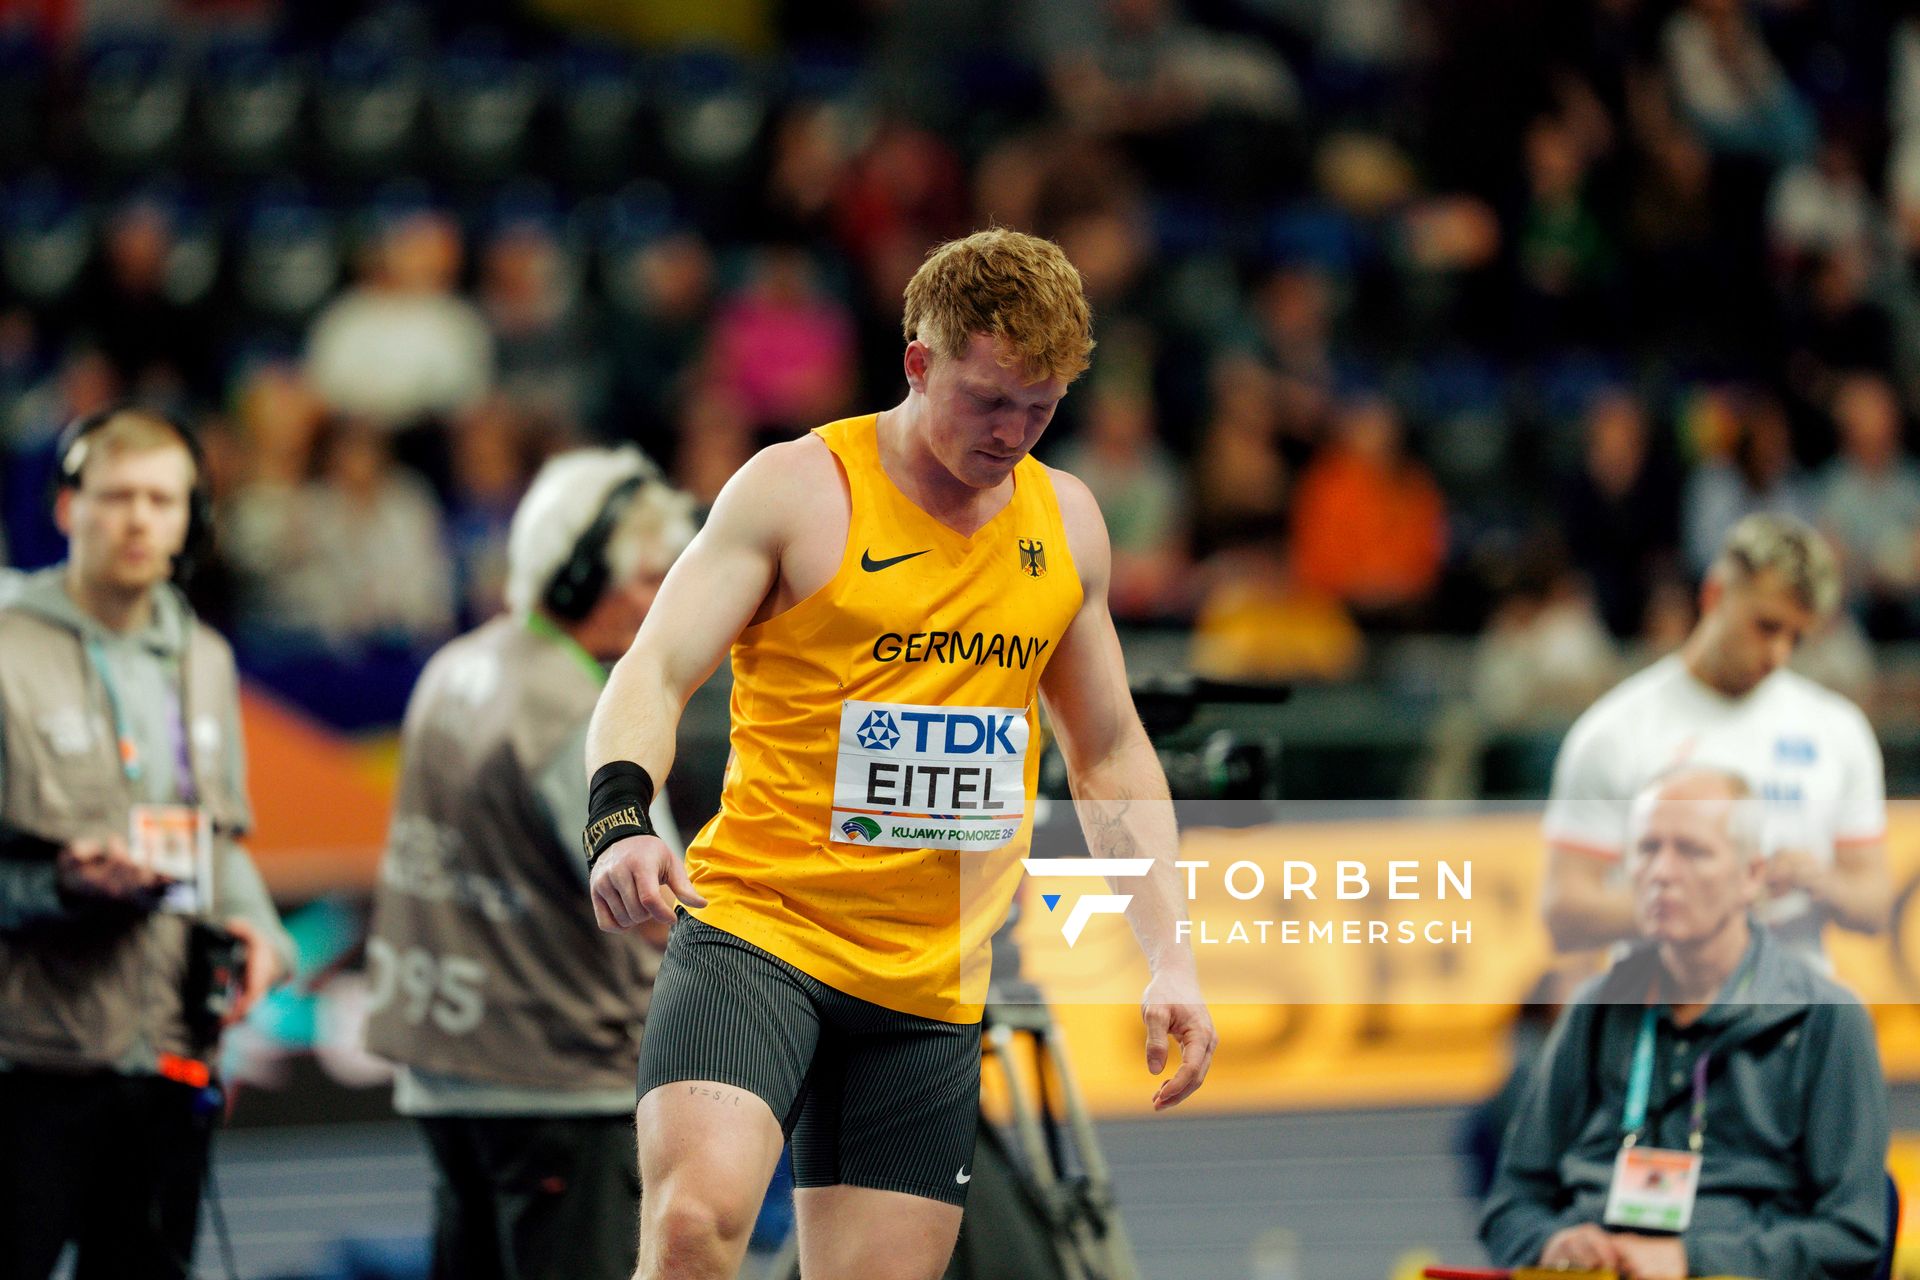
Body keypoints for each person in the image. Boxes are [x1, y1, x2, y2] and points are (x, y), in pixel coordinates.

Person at [584, 228, 1217, 1280]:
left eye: (1042, 406)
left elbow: (1107, 753)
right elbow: (650, 671)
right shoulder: (797, 489)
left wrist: (1171, 952)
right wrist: (618, 821)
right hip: (761, 934)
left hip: (930, 984)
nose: (1013, 432)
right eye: (988, 399)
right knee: (695, 1225)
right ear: (919, 363)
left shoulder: (1066, 523)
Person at [363, 447, 694, 1280]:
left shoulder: (456, 665)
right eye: (651, 578)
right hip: (558, 1082)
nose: (664, 605)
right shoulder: (579, 716)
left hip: (445, 1072)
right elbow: (669, 910)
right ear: (583, 576)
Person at [0, 406, 294, 1279]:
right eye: (118, 496)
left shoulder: (204, 656)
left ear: (190, 519)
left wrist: (263, 934)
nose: (139, 520)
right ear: (67, 508)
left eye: (163, 500)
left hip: (165, 1048)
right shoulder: (8, 649)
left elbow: (219, 841)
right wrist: (59, 884)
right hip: (29, 1058)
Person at [1482, 767, 1889, 1279]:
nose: (1662, 872)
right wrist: (1552, 1241)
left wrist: (1689, 1260)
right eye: (1648, 849)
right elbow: (1510, 1205)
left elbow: (1853, 1235)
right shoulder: (1595, 1009)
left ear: (1751, 877)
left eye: (1692, 851)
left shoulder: (1824, 1021)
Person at [1540, 513, 1888, 955]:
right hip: (1658, 1010)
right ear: (1714, 595)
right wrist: (1693, 906)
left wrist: (1823, 882)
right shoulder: (1616, 731)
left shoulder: (1838, 730)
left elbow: (1876, 904)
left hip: (1794, 1010)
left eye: (1796, 638)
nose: (1779, 654)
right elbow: (1562, 912)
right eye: (1766, 626)